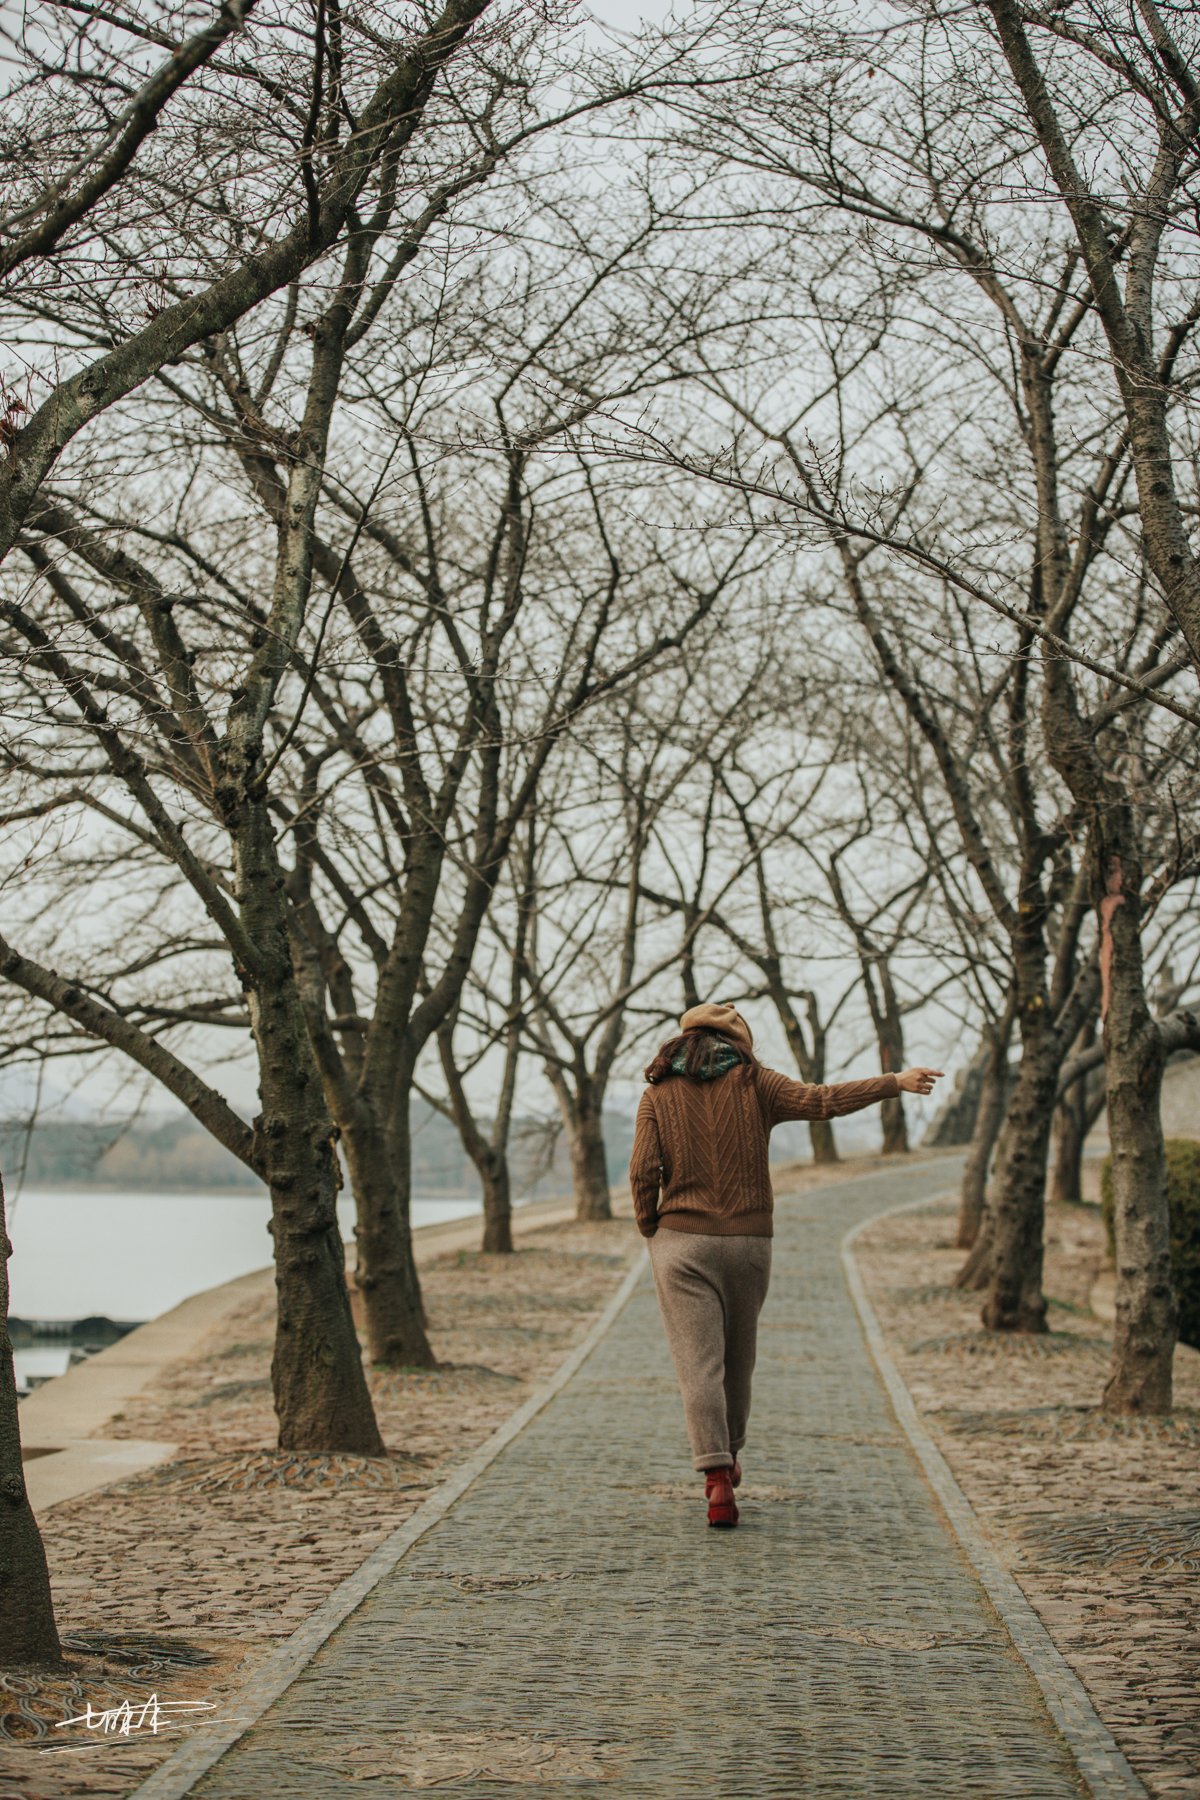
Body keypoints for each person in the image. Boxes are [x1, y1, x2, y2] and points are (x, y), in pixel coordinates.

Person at [629, 1000, 942, 1528]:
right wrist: (894, 1081)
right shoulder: (758, 1083)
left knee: (697, 1365)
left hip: (681, 1242)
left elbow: (642, 1171)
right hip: (750, 1240)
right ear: (739, 1043)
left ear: (682, 1041)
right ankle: (731, 1454)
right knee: (738, 1357)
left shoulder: (657, 1094)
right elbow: (824, 1101)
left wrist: (650, 1228)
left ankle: (716, 1480)